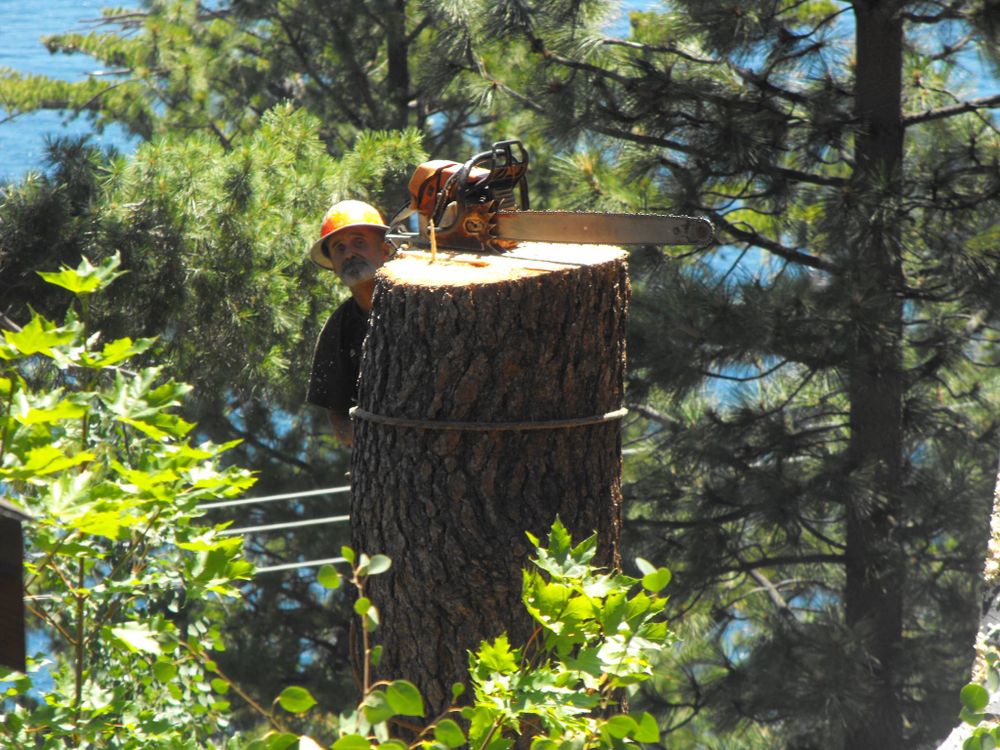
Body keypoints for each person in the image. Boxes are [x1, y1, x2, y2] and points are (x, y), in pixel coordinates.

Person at [306, 199, 392, 445]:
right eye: (339, 248)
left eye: (359, 242)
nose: (349, 253)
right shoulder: (339, 329)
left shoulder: (421, 302)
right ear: (333, 265)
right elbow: (339, 420)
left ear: (385, 250)